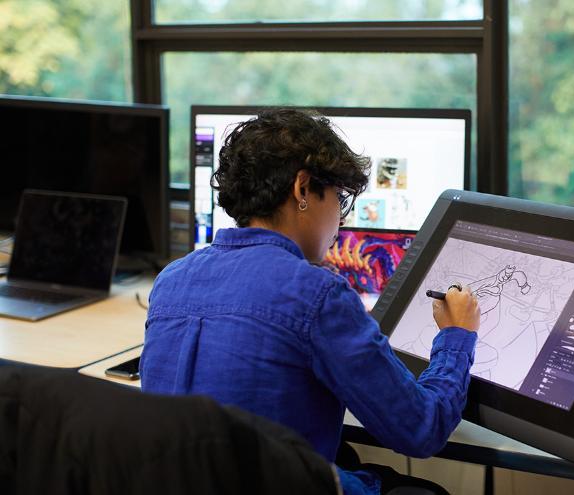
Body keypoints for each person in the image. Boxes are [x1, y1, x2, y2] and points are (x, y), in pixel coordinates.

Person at [140, 108, 480, 494]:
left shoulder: (171, 279)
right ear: (303, 189)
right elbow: (421, 430)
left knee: (345, 454)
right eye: (340, 198)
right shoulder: (315, 292)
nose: (341, 221)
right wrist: (457, 336)